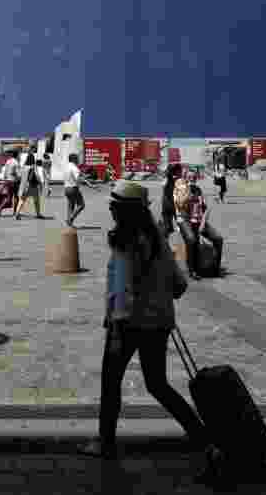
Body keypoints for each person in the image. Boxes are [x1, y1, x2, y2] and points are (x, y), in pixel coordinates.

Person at [82, 182, 225, 485]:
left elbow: (119, 293)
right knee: (158, 385)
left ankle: (105, 442)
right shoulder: (158, 237)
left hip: (128, 325)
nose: (110, 207)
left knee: (111, 382)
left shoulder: (124, 240)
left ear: (125, 210)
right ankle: (204, 440)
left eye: (114, 204)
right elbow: (179, 285)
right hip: (159, 324)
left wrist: (117, 326)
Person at [173, 170, 224, 279]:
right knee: (192, 239)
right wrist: (186, 192)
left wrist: (202, 223)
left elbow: (206, 209)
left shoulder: (198, 190)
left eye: (194, 177)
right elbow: (180, 208)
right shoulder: (180, 189)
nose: (192, 179)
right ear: (185, 178)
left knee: (218, 239)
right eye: (189, 177)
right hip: (185, 220)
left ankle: (215, 268)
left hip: (199, 221)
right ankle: (193, 270)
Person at [14, 153, 45, 220]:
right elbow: (37, 176)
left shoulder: (24, 167)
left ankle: (17, 213)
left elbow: (19, 176)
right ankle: (38, 214)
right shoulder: (33, 167)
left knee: (22, 200)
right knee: (36, 200)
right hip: (32, 186)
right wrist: (40, 182)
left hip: (24, 186)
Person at [63, 153, 87, 227]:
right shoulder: (74, 168)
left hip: (66, 188)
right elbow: (78, 179)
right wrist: (90, 184)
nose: (78, 160)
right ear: (73, 159)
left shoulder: (66, 167)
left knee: (70, 205)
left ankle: (69, 223)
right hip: (73, 188)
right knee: (81, 205)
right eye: (77, 158)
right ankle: (70, 219)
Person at [0, 150, 21, 218]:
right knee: (16, 197)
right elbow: (18, 174)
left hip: (8, 181)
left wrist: (4, 181)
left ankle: (0, 208)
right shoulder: (16, 163)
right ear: (17, 155)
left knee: (9, 198)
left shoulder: (8, 161)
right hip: (14, 182)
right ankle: (15, 212)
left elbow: (5, 172)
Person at [161, 164, 183, 236]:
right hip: (170, 204)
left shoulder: (171, 179)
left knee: (180, 226)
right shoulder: (169, 179)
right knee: (168, 226)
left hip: (172, 204)